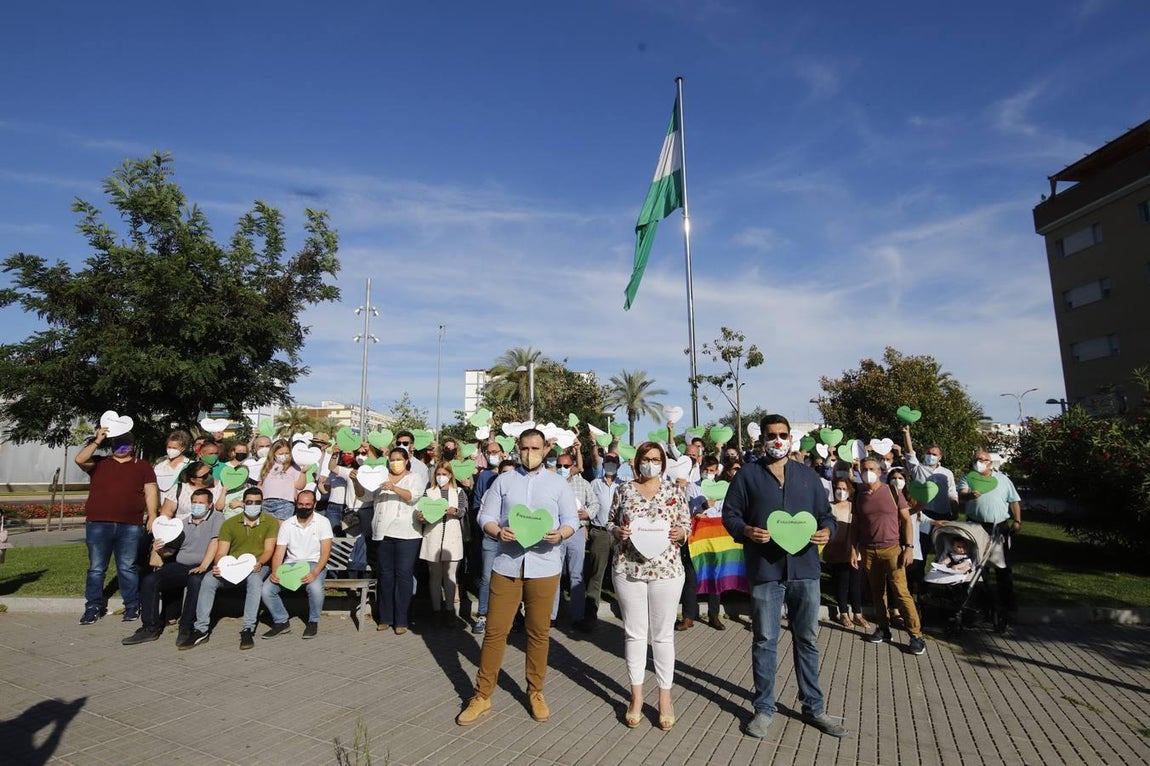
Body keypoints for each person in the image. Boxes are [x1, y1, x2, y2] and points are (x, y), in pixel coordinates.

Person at [722, 414, 848, 739]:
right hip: (766, 570)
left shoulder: (808, 476)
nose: (777, 440)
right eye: (771, 435)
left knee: (807, 639)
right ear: (761, 440)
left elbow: (826, 516)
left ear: (791, 437)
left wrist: (827, 531)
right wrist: (746, 530)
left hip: (805, 570)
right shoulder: (748, 476)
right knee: (765, 640)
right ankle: (764, 709)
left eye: (782, 434)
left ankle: (814, 707)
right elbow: (730, 515)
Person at [455, 429, 579, 726]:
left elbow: (572, 520)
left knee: (538, 633)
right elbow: (485, 516)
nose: (529, 453)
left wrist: (560, 534)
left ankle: (535, 691)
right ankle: (482, 695)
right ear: (517, 449)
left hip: (544, 567)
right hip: (507, 566)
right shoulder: (503, 481)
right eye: (524, 448)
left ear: (545, 449)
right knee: (495, 632)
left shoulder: (558, 484)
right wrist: (498, 531)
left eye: (535, 448)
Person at [608, 442, 691, 729]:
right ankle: (636, 697)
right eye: (646, 458)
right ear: (637, 462)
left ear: (663, 463)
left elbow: (686, 525)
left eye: (656, 459)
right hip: (629, 569)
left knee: (663, 636)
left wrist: (681, 532)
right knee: (634, 634)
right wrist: (617, 531)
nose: (651, 463)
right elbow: (610, 522)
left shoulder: (675, 491)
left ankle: (665, 697)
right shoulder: (624, 490)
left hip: (666, 569)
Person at [74, 428, 159, 625]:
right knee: (96, 568)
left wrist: (152, 515)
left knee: (127, 567)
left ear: (132, 446)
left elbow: (151, 491)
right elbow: (79, 459)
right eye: (117, 444)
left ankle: (131, 606)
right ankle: (93, 607)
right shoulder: (99, 463)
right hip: (98, 523)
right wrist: (98, 440)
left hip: (130, 525)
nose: (121, 448)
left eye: (125, 445)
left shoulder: (143, 466)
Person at [123, 487, 222, 645]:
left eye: (201, 503)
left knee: (195, 581)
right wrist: (161, 549)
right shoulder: (182, 523)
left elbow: (215, 541)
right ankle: (150, 627)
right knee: (150, 581)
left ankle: (186, 627)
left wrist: (204, 565)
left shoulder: (217, 518)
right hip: (181, 564)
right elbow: (170, 553)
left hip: (204, 565)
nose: (197, 505)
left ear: (209, 505)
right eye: (194, 502)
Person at [188, 487, 280, 650]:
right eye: (250, 502)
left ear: (262, 503)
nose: (253, 505)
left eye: (257, 502)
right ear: (243, 503)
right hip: (233, 566)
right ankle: (201, 629)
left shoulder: (270, 522)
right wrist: (219, 566)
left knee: (254, 580)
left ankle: (248, 628)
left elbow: (268, 551)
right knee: (209, 579)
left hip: (258, 565)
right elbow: (222, 551)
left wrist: (259, 563)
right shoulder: (230, 523)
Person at [850, 457, 926, 655]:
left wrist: (909, 547)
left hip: (892, 549)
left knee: (901, 591)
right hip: (868, 550)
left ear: (880, 471)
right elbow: (856, 525)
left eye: (872, 468)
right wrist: (853, 548)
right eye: (864, 469)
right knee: (876, 592)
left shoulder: (892, 491)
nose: (868, 472)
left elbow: (906, 520)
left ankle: (916, 635)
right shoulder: (858, 494)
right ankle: (883, 628)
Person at [354, 447, 425, 634]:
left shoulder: (415, 478)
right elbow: (364, 495)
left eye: (398, 459)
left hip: (407, 534)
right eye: (392, 459)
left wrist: (393, 487)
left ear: (407, 460)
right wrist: (356, 481)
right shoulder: (380, 476)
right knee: (385, 575)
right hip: (382, 533)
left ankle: (401, 619)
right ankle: (385, 617)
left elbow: (413, 496)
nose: (395, 463)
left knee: (403, 575)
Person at [957, 449, 1022, 622]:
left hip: (998, 526)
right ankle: (980, 605)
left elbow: (1014, 500)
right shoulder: (968, 477)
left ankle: (1007, 605)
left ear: (990, 463)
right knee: (977, 566)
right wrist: (969, 495)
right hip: (976, 525)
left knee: (1002, 566)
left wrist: (1017, 520)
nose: (980, 461)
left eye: (983, 459)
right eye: (977, 459)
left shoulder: (1002, 479)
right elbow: (961, 495)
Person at [261, 491, 333, 639]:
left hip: (314, 563)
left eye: (307, 504)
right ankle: (281, 621)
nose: (304, 507)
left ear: (314, 505)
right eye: (300, 504)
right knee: (267, 589)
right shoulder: (287, 524)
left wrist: (315, 572)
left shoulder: (323, 522)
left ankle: (313, 621)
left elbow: (326, 551)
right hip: (291, 565)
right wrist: (275, 572)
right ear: (296, 504)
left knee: (314, 588)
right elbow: (279, 552)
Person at [552, 451, 597, 627]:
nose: (562, 469)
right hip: (555, 532)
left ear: (572, 467)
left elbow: (595, 503)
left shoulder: (583, 483)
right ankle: (551, 616)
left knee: (576, 575)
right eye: (559, 466)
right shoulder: (551, 483)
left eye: (566, 466)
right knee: (554, 574)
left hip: (576, 532)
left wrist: (588, 514)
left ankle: (578, 617)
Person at [420, 462, 468, 627]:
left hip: (452, 537)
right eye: (438, 474)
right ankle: (436, 611)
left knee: (450, 576)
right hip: (433, 536)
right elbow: (422, 511)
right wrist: (422, 517)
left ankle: (449, 610)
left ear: (451, 475)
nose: (441, 477)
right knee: (434, 575)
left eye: (444, 474)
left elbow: (463, 511)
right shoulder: (428, 492)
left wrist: (453, 511)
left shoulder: (459, 492)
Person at [468, 442, 506, 635]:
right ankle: (482, 615)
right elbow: (479, 509)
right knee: (486, 577)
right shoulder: (487, 483)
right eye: (489, 452)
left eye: (495, 452)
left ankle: (510, 616)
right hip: (490, 538)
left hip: (513, 540)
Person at [582, 456, 621, 631]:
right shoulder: (594, 484)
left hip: (620, 533)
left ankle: (626, 611)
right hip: (600, 532)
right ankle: (590, 614)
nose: (610, 466)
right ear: (603, 465)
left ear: (619, 466)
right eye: (608, 463)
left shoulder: (624, 484)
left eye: (614, 463)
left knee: (621, 573)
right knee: (596, 573)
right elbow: (587, 505)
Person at [823, 477, 866, 629]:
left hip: (854, 550)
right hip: (837, 550)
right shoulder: (829, 507)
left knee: (855, 582)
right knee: (841, 582)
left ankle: (858, 613)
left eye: (844, 489)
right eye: (838, 488)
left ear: (850, 491)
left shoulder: (854, 507)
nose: (841, 492)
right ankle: (843, 612)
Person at [901, 425, 959, 521]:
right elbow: (910, 453)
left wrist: (955, 512)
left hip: (943, 514)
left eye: (934, 454)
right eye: (928, 453)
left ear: (940, 457)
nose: (931, 456)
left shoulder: (947, 473)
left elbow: (952, 494)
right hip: (923, 514)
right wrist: (906, 434)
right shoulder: (918, 468)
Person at [259, 439, 308, 520]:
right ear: (273, 453)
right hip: (266, 502)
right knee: (269, 528)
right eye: (280, 453)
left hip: (285, 503)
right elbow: (261, 484)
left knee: (281, 526)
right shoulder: (267, 466)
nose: (284, 455)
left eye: (287, 453)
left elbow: (300, 486)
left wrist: (303, 473)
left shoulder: (294, 467)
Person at [154, 430, 191, 506]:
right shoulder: (159, 466)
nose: (171, 450)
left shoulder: (190, 465)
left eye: (174, 448)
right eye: (169, 447)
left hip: (180, 506)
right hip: (159, 505)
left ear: (183, 448)